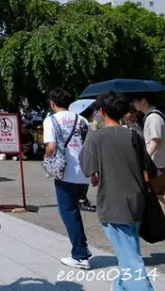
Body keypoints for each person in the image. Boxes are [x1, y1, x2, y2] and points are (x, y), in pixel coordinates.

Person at [79, 92, 157, 291]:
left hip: (113, 204)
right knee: (128, 252)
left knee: (131, 259)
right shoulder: (134, 135)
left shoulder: (95, 137)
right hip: (137, 201)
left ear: (101, 112)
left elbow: (87, 168)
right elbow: (150, 169)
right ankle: (120, 286)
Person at [44, 88, 92, 270]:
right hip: (84, 172)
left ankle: (80, 255)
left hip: (65, 172)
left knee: (68, 212)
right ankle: (82, 247)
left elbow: (51, 146)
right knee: (74, 210)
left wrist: (46, 160)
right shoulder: (82, 120)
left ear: (52, 103)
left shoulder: (51, 120)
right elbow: (90, 146)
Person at [70, 100, 97, 213]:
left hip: (74, 157)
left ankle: (80, 199)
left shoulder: (76, 123)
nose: (95, 115)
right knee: (83, 180)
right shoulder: (86, 125)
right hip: (83, 157)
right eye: (93, 113)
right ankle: (81, 200)